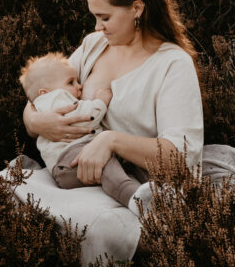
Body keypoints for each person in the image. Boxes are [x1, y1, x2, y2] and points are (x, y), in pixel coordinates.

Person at [23, 0, 204, 210]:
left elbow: (178, 157)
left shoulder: (172, 65)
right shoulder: (93, 46)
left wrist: (110, 141)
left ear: (137, 9)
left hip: (138, 187)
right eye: (95, 17)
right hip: (77, 177)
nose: (98, 27)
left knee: (96, 225)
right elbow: (43, 91)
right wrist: (34, 121)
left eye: (105, 18)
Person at [18, 52, 151, 214]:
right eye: (70, 82)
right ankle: (134, 199)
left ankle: (152, 190)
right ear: (44, 93)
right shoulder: (52, 100)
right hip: (70, 158)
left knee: (126, 161)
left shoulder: (48, 100)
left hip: (72, 160)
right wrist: (100, 101)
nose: (79, 86)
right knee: (104, 164)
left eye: (77, 81)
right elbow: (85, 117)